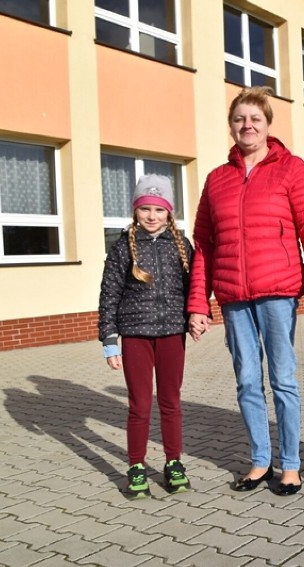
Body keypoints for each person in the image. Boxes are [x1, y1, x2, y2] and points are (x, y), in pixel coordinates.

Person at [187, 86, 304, 496]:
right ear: (231, 126)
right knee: (248, 381)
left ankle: (290, 465)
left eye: (255, 118)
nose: (247, 125)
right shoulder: (217, 179)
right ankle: (259, 461)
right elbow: (204, 244)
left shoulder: (291, 169)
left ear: (268, 125)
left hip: (278, 293)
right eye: (240, 119)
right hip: (233, 297)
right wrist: (198, 302)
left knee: (282, 379)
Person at [98, 174, 194, 499]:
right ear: (135, 211)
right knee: (139, 405)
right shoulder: (123, 246)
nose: (152, 216)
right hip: (135, 335)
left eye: (159, 209)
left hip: (171, 334)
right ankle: (136, 466)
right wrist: (109, 339)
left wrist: (198, 316)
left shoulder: (182, 247)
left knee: (170, 402)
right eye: (145, 209)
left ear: (170, 212)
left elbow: (195, 288)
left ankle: (173, 463)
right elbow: (109, 293)